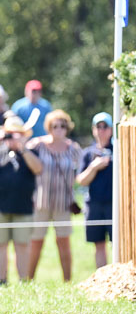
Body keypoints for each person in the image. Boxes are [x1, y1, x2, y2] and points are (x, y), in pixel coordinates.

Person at [0, 116, 43, 285]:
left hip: (24, 208)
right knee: (0, 245)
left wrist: (23, 148)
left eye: (17, 134)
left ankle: (23, 281)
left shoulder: (30, 152)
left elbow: (38, 168)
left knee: (22, 246)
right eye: (10, 134)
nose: (13, 137)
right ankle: (1, 281)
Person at [26, 109, 82, 282]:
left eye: (62, 126)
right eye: (55, 125)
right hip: (40, 202)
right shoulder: (37, 145)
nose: (59, 129)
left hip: (63, 203)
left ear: (67, 128)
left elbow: (79, 172)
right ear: (49, 127)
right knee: (36, 243)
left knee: (64, 243)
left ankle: (67, 281)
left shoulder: (73, 148)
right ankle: (28, 280)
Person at [77, 112, 115, 269]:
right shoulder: (88, 153)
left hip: (114, 204)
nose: (101, 130)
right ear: (93, 129)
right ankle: (102, 276)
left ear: (111, 129)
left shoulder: (119, 150)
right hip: (94, 204)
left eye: (105, 126)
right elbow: (81, 180)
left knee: (117, 243)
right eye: (98, 127)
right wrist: (94, 167)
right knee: (99, 244)